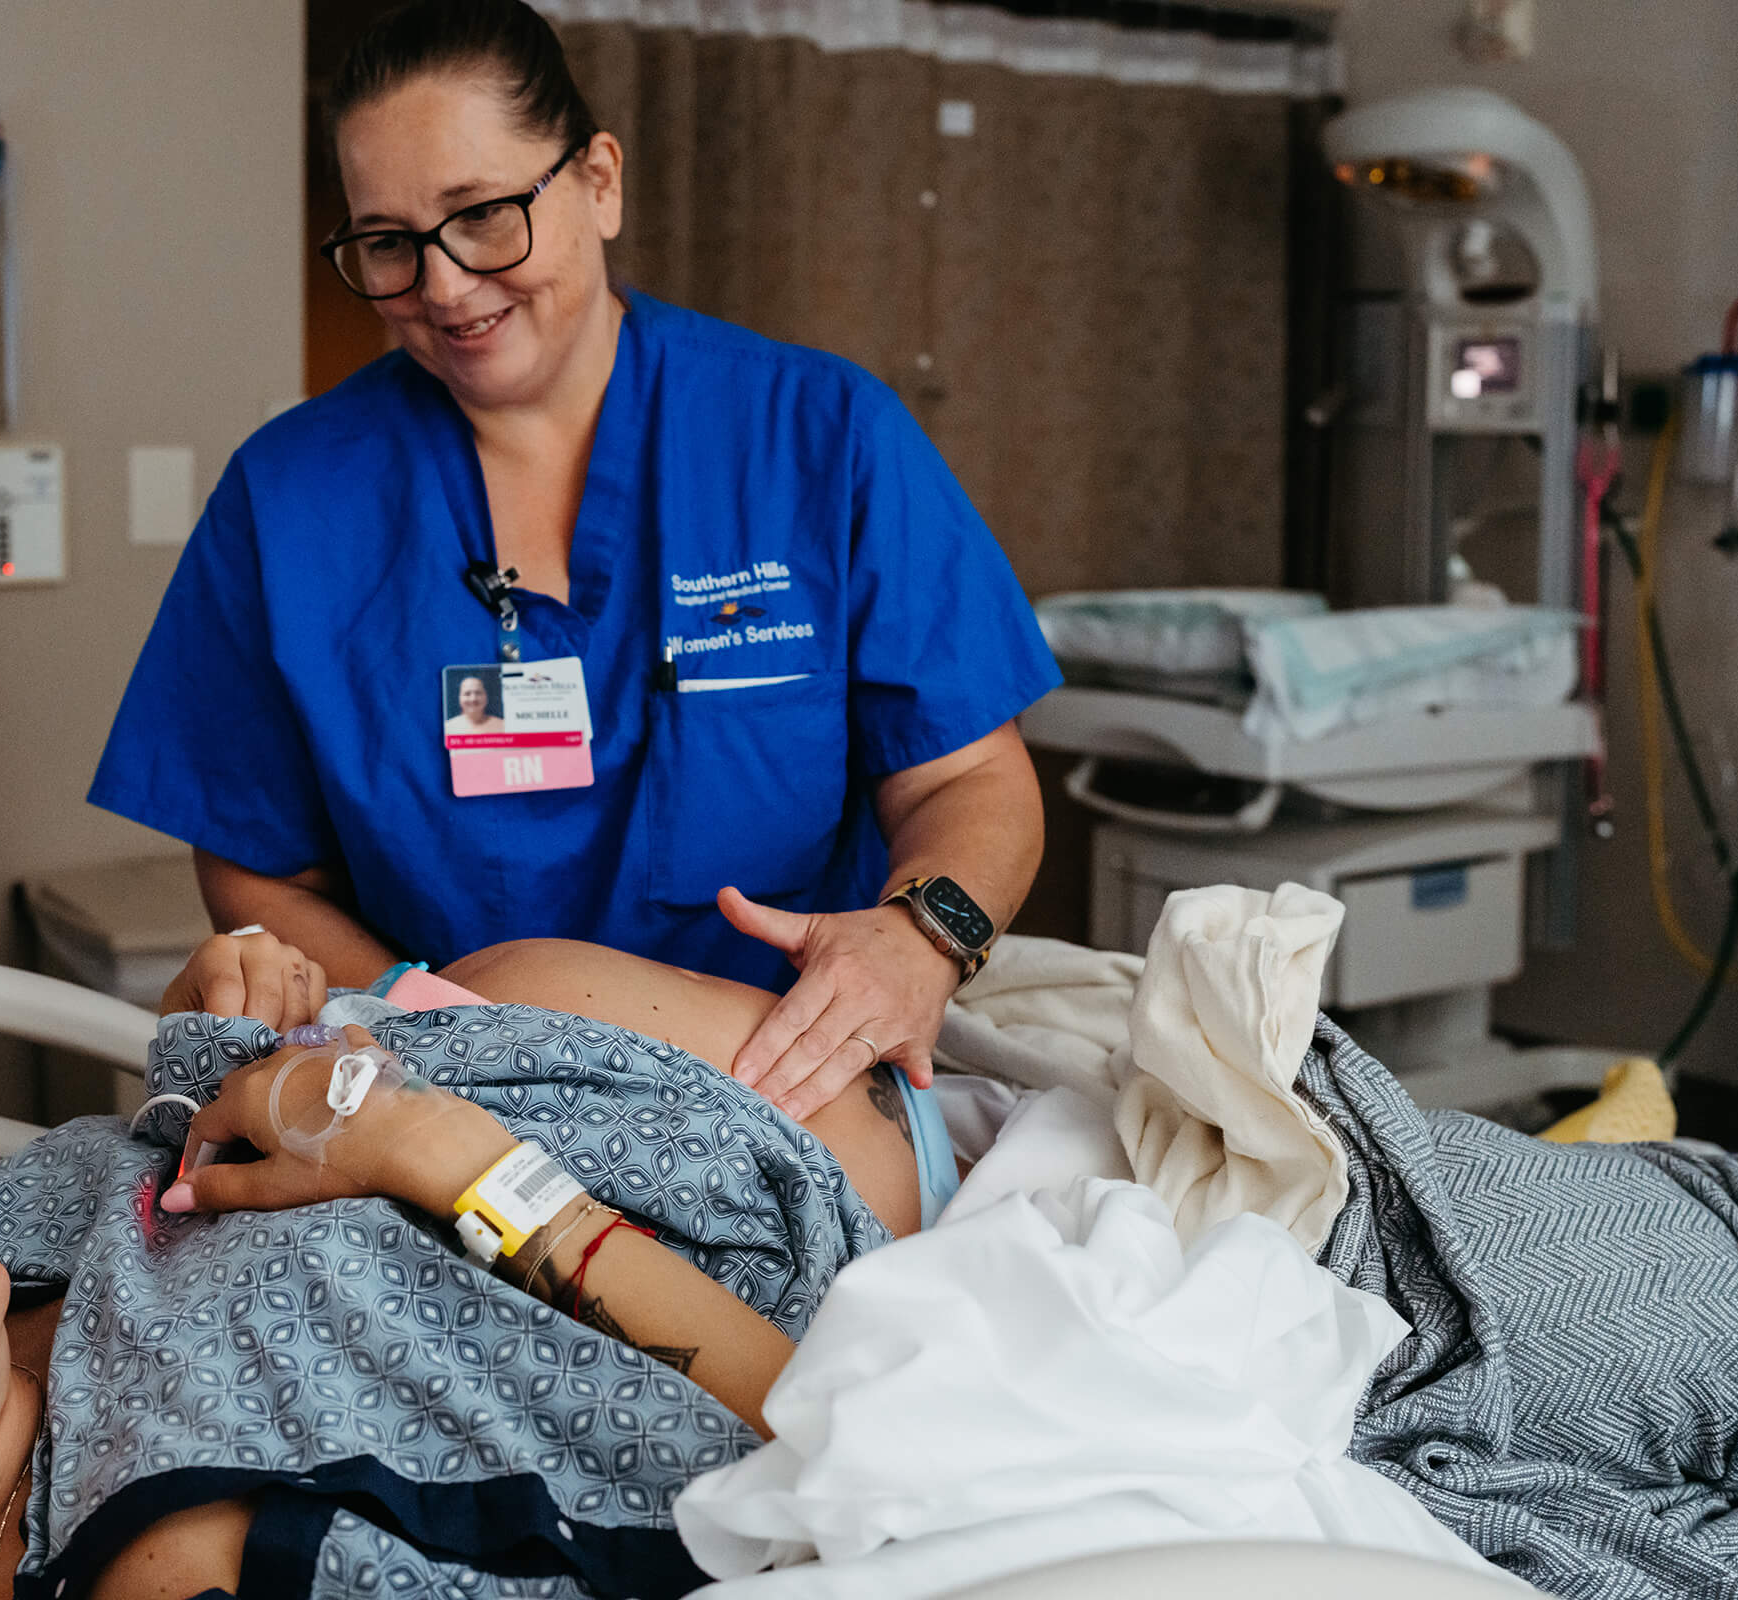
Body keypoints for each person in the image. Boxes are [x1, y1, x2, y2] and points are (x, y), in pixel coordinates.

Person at [0, 933, 1738, 1597]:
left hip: (1179, 1180)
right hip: (1210, 1330)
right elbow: (815, 1447)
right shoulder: (187, 1539)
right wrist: (435, 1153)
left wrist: (249, 1013)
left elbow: (171, 1098)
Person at [89, 0, 1060, 1126]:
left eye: (485, 215)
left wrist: (921, 935)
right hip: (450, 1103)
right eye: (389, 243)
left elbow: (969, 779)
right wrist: (429, 1017)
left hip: (788, 1095)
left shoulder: (819, 436)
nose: (445, 286)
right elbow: (258, 865)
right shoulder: (292, 498)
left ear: (598, 180)